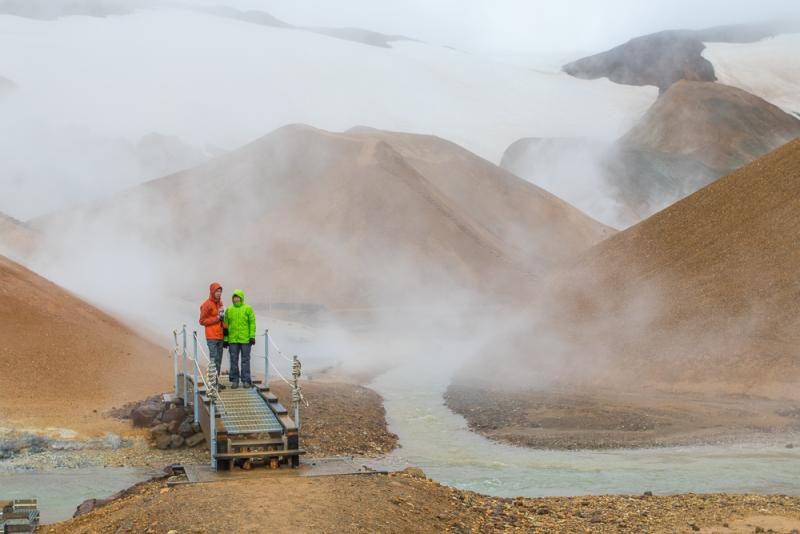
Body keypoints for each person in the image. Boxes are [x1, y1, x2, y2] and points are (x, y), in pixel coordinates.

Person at [224, 289, 256, 388]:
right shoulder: (229, 310)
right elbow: (225, 325)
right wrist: (225, 339)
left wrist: (252, 336)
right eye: (234, 297)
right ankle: (235, 380)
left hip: (245, 340)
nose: (236, 299)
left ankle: (246, 380)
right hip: (233, 340)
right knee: (233, 360)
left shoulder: (248, 309)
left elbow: (252, 323)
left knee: (245, 360)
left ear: (241, 298)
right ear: (232, 298)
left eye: (238, 297)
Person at [199, 282, 226, 389]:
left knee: (218, 359)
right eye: (217, 291)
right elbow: (201, 321)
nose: (219, 293)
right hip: (211, 337)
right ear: (212, 292)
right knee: (214, 360)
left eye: (220, 291)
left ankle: (216, 381)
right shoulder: (206, 304)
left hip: (220, 336)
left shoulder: (220, 303)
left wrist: (225, 327)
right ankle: (212, 383)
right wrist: (216, 319)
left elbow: (222, 317)